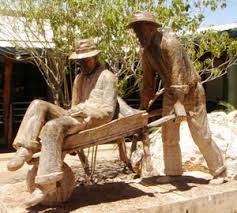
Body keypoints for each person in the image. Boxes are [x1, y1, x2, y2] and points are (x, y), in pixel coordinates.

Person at [7, 38, 118, 206]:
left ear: (96, 57)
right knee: (38, 104)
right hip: (75, 116)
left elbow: (109, 111)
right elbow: (73, 107)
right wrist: (73, 111)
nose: (82, 63)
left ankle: (47, 185)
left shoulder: (107, 77)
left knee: (53, 127)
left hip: (92, 118)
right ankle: (25, 148)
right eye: (80, 60)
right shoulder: (78, 79)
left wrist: (85, 110)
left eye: (86, 59)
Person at [127, 11, 226, 180]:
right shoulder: (146, 52)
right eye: (135, 32)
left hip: (192, 91)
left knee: (200, 135)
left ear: (151, 28)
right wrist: (143, 108)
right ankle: (173, 173)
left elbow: (178, 73)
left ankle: (220, 171)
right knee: (169, 136)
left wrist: (179, 103)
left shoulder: (170, 43)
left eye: (140, 30)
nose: (137, 35)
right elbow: (148, 82)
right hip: (172, 93)